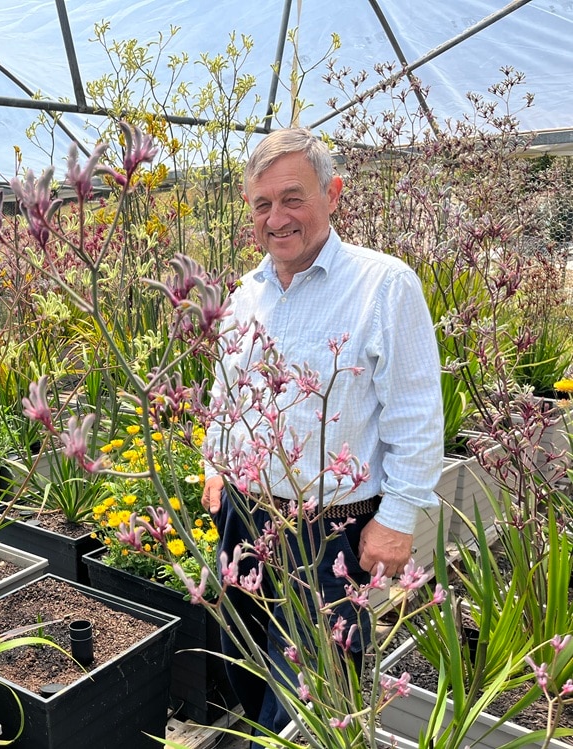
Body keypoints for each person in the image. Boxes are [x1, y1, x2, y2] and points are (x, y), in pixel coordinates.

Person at [201, 127, 443, 734]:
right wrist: (214, 462)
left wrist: (399, 516)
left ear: (333, 193)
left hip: (330, 530)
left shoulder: (383, 285)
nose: (276, 218)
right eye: (262, 204)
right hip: (243, 515)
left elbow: (416, 411)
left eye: (292, 198)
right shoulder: (245, 293)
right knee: (245, 663)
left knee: (308, 697)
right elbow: (224, 390)